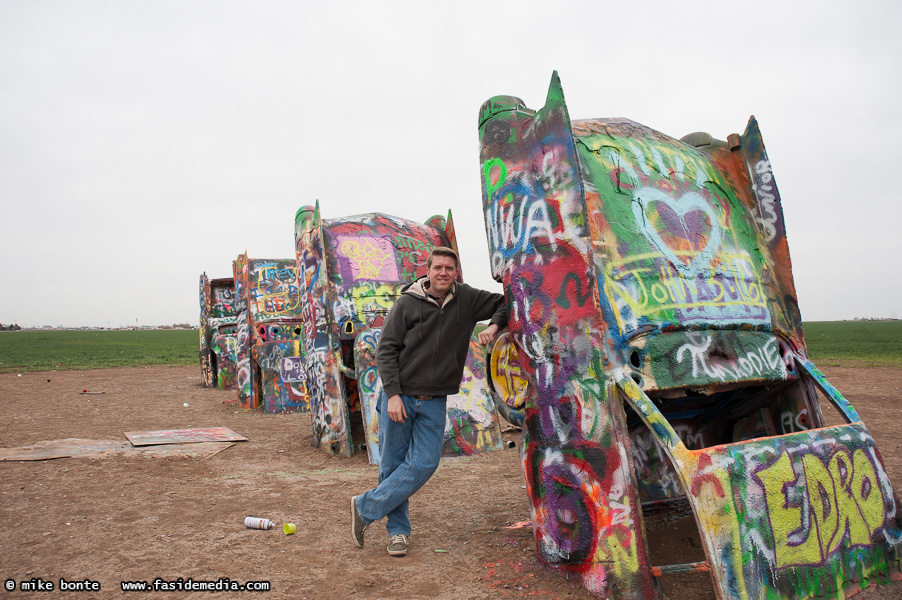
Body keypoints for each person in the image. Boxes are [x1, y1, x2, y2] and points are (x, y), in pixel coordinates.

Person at [351, 246, 508, 557]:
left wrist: (493, 325)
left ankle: (365, 506)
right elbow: (386, 351)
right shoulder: (407, 304)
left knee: (425, 462)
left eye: (450, 268)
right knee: (393, 465)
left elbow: (504, 302)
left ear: (456, 272)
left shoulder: (466, 299)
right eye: (438, 268)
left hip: (435, 400)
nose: (444, 273)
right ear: (428, 270)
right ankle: (397, 533)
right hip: (401, 397)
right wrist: (393, 394)